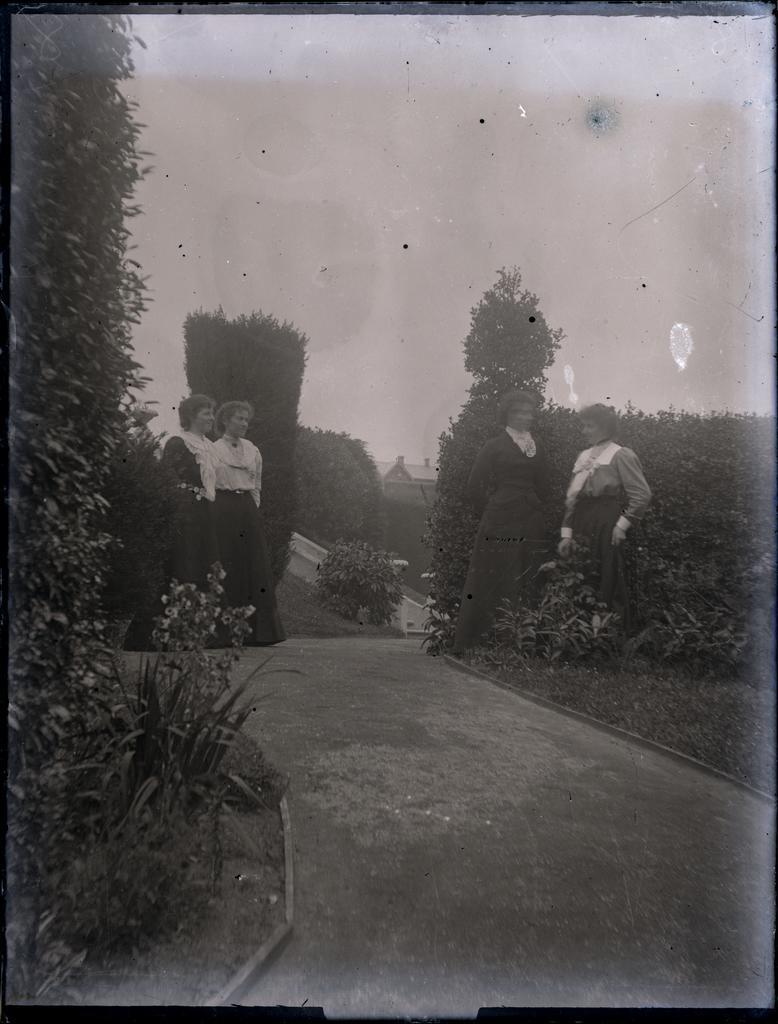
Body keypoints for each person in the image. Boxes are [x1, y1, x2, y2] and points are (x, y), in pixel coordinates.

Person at [452, 390, 548, 654]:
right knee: (498, 577)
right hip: (500, 521)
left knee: (528, 574)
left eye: (529, 412)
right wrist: (494, 509)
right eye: (519, 412)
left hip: (530, 519)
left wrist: (535, 506)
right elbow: (474, 487)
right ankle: (490, 641)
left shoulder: (536, 444)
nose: (525, 417)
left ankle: (524, 643)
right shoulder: (494, 446)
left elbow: (545, 485)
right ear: (507, 415)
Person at [124, 394, 220, 650]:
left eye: (212, 412)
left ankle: (191, 634)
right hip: (185, 515)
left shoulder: (210, 447)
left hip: (205, 515)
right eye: (206, 413)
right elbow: (169, 478)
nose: (212, 417)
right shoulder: (178, 443)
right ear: (190, 416)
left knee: (202, 570)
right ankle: (162, 637)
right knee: (182, 568)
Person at [557, 403, 651, 629]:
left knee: (608, 572)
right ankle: (579, 632)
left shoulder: (621, 455)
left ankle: (609, 635)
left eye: (589, 426)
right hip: (582, 519)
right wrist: (566, 534)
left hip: (608, 519)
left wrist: (622, 525)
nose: (584, 431)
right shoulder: (583, 457)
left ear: (605, 428)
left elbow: (642, 495)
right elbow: (572, 498)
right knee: (581, 570)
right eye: (584, 426)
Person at [212, 400, 285, 646]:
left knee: (252, 567)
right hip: (222, 511)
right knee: (228, 566)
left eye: (246, 420)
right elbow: (208, 483)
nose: (244, 424)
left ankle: (257, 633)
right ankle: (226, 632)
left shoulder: (253, 450)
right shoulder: (213, 450)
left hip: (247, 511)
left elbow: (257, 485)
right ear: (225, 420)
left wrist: (251, 510)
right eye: (239, 419)